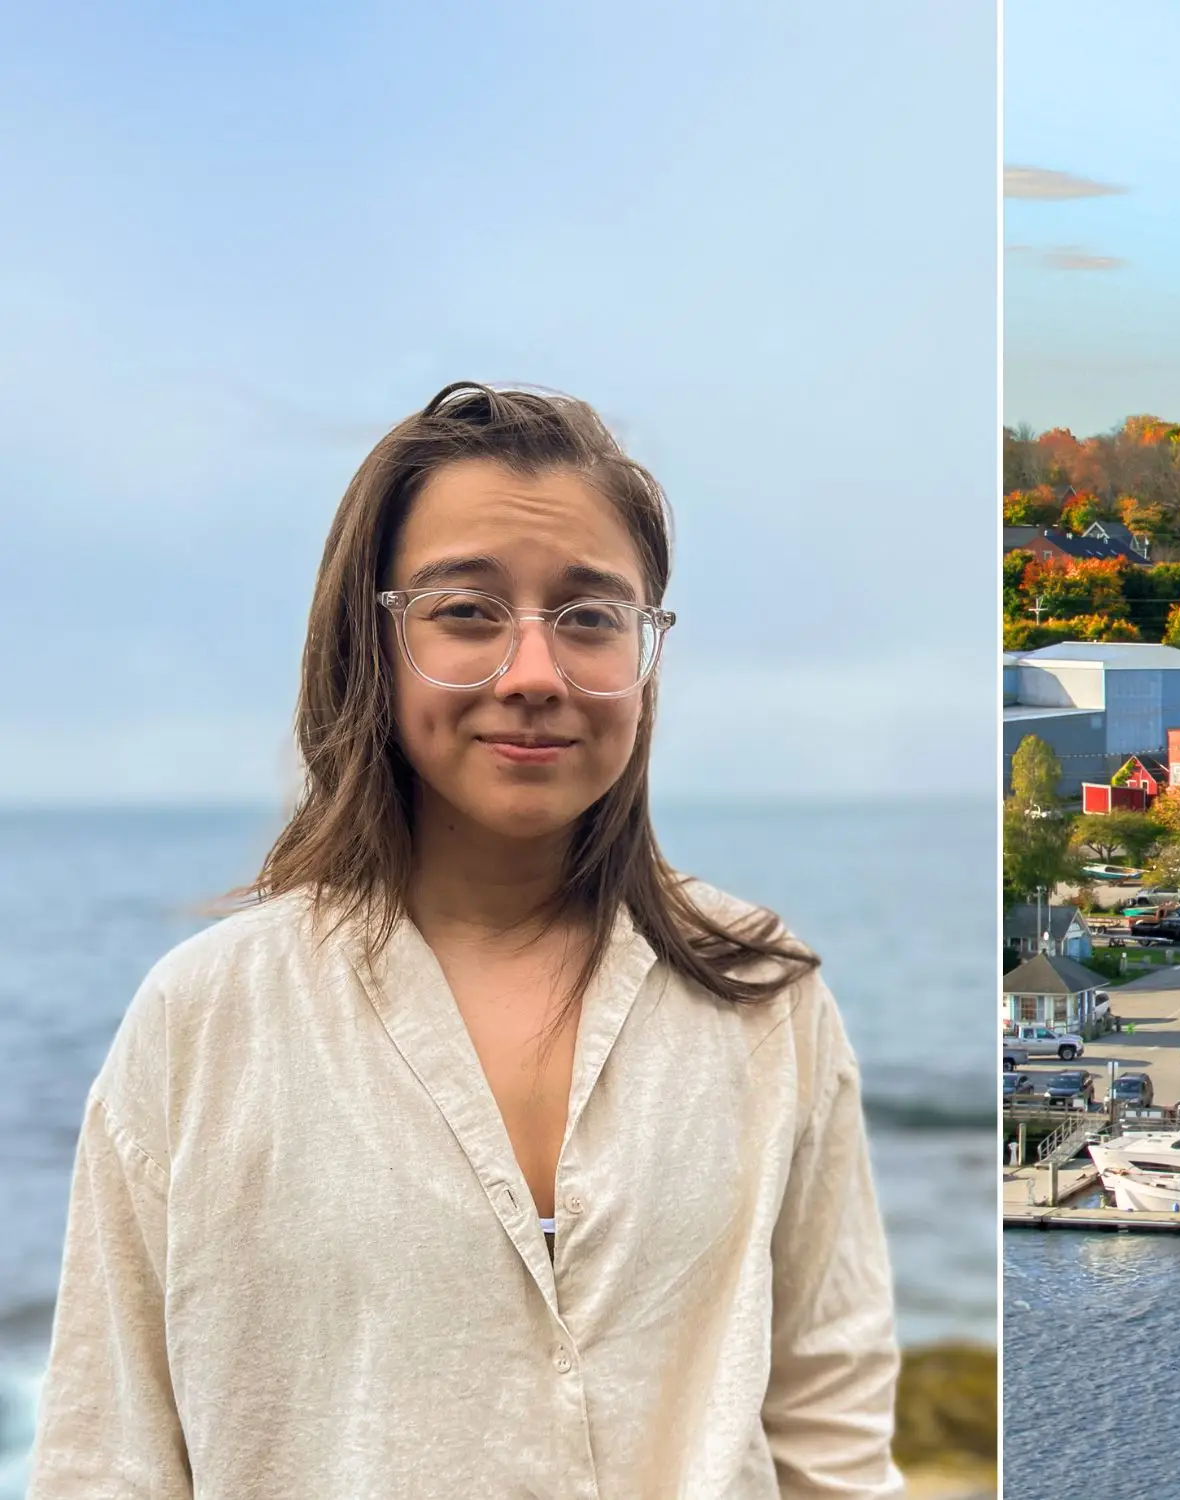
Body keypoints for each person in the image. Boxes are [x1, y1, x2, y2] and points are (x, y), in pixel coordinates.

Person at [30, 384, 901, 1497]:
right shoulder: (204, 1022)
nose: (533, 672)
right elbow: (107, 1459)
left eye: (589, 618)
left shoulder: (761, 994)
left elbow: (829, 1431)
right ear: (371, 641)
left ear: (646, 656)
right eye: (467, 611)